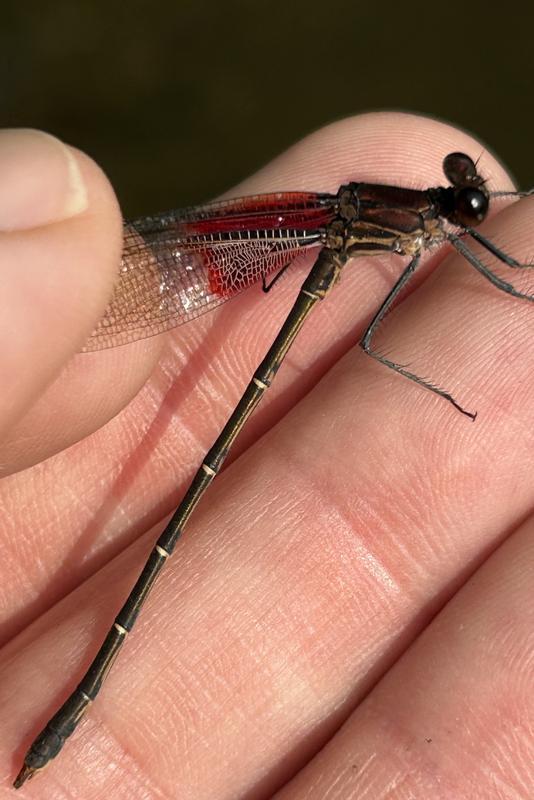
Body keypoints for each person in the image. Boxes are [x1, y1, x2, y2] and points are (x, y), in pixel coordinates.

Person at [1, 114, 533, 797]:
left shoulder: (422, 221)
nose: (467, 206)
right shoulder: (421, 224)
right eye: (465, 202)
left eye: (467, 201)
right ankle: (69, 715)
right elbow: (384, 334)